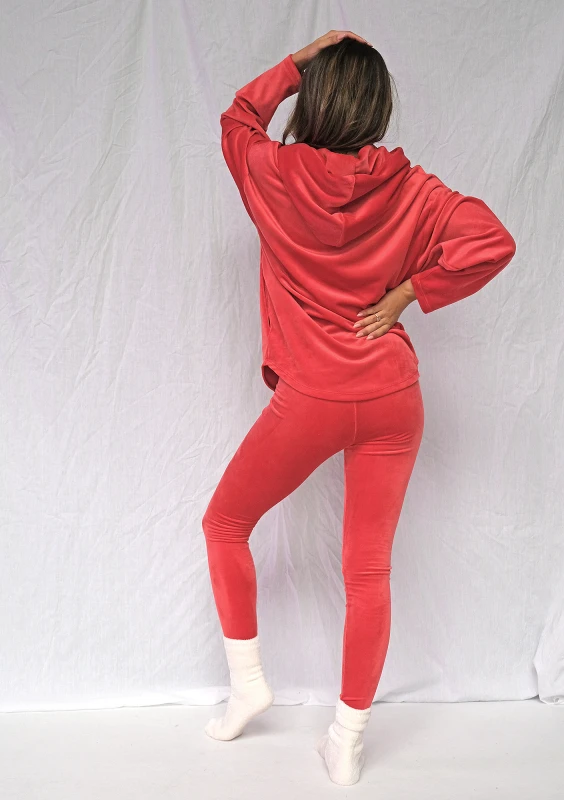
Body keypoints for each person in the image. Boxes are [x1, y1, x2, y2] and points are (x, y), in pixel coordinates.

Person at [201, 30, 516, 785]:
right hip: (392, 397)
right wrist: (407, 293)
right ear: (377, 108)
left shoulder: (272, 172)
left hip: (313, 397)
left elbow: (237, 117)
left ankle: (248, 683)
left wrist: (297, 63)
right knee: (367, 572)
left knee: (224, 525)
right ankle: (346, 739)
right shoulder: (411, 189)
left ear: (317, 99)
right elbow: (492, 240)